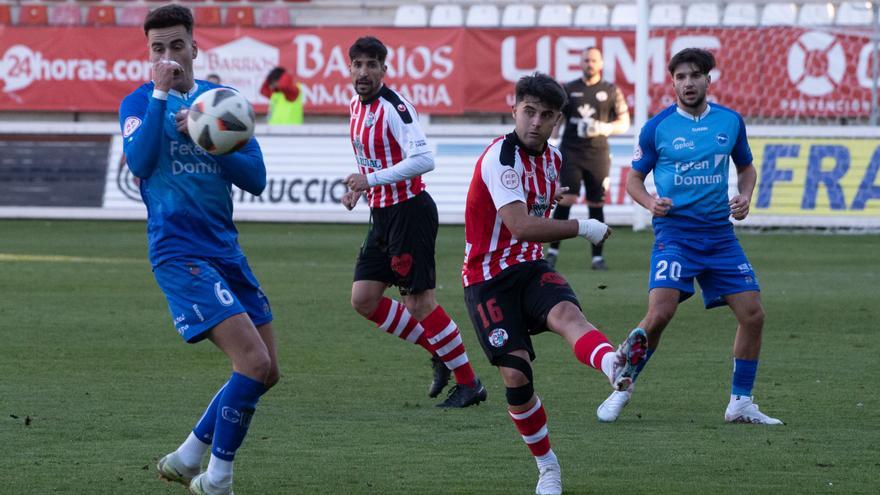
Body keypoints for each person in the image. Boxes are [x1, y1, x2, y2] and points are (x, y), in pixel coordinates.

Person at [461, 72, 648, 495]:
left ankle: (612, 364)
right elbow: (521, 225)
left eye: (546, 115)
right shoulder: (501, 159)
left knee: (568, 315)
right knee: (515, 374)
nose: (535, 122)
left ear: (557, 121)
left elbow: (537, 217)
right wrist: (585, 227)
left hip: (528, 267)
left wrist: (561, 205)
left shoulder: (553, 159)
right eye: (528, 111)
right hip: (488, 278)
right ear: (514, 110)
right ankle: (548, 467)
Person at [119, 5, 280, 494]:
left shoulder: (222, 101)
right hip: (178, 251)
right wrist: (162, 99)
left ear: (195, 46)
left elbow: (256, 178)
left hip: (225, 251)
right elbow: (141, 163)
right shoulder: (139, 102)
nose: (168, 56)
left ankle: (189, 457)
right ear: (149, 54)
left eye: (176, 45)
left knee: (267, 370)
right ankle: (218, 479)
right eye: (157, 48)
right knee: (252, 363)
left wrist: (209, 137)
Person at [595, 48, 783, 426]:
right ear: (673, 82)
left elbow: (746, 168)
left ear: (708, 79)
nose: (688, 83)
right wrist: (650, 201)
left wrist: (745, 197)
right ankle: (622, 387)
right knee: (661, 314)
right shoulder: (657, 128)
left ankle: (740, 403)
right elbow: (632, 179)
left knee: (753, 315)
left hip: (719, 235)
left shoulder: (730, 122)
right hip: (676, 234)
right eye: (680, 77)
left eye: (695, 75)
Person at [342, 36, 486, 408]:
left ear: (383, 70)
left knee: (420, 304)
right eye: (357, 64)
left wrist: (370, 181)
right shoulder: (355, 107)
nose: (364, 72)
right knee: (364, 300)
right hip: (382, 215)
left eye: (372, 65)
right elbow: (371, 161)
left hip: (410, 212)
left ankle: (470, 383)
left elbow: (424, 160)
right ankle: (440, 349)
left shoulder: (396, 107)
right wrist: (361, 188)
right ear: (350, 68)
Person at [547, 47, 630, 271]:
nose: (589, 63)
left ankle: (597, 257)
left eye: (593, 60)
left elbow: (624, 123)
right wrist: (551, 145)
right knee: (566, 200)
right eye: (585, 60)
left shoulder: (611, 90)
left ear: (601, 63)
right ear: (580, 63)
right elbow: (557, 121)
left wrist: (603, 127)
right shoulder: (568, 89)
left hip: (598, 154)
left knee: (596, 203)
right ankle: (552, 253)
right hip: (571, 151)